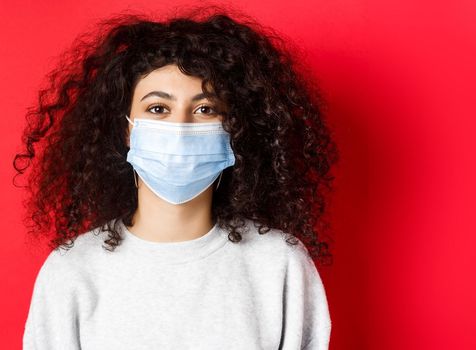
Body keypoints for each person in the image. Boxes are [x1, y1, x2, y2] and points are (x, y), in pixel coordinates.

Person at [13, 6, 339, 349]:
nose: (180, 127)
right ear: (127, 130)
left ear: (234, 128)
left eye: (205, 109)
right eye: (158, 109)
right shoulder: (73, 271)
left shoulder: (279, 264)